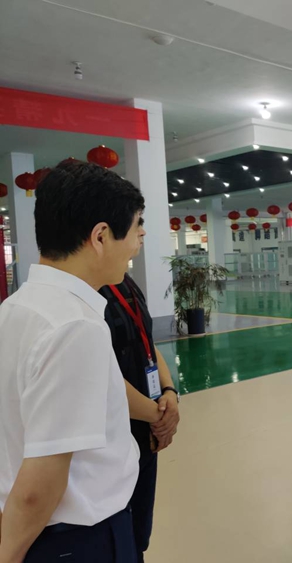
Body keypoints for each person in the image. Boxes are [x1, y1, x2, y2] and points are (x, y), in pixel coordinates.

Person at [0, 160, 144, 562]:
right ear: (100, 236)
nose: (138, 241)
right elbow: (40, 483)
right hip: (77, 540)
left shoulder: (15, 308)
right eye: (136, 228)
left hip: (29, 527)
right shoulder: (75, 326)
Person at [100, 253, 181, 563]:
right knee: (119, 539)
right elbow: (101, 375)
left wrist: (169, 391)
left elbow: (148, 343)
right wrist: (158, 416)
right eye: (136, 229)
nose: (142, 234)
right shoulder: (88, 295)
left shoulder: (127, 283)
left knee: (138, 535)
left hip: (147, 433)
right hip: (116, 435)